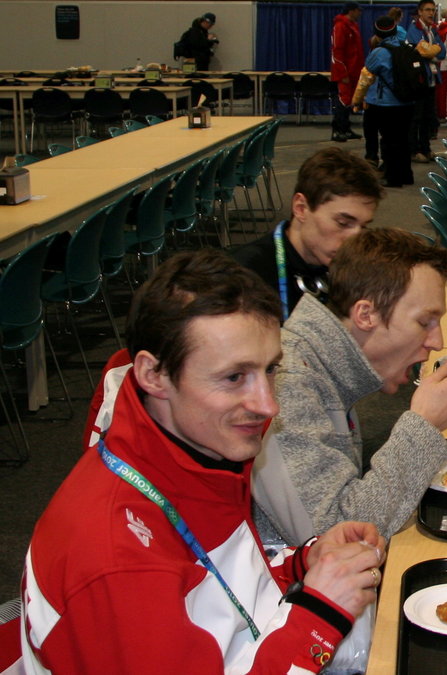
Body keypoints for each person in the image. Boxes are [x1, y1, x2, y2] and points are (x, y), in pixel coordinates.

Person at [24, 250, 386, 674]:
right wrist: (320, 613)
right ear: (154, 375)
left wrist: (303, 563)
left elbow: (217, 587)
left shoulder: (196, 452)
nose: (268, 404)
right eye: (234, 378)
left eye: (271, 370)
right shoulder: (115, 558)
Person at [252, 229, 447, 545]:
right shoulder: (289, 382)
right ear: (365, 315)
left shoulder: (323, 359)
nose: (437, 342)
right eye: (425, 322)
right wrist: (423, 425)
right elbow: (332, 536)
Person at [233, 148, 382, 318]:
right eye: (343, 223)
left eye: (363, 227)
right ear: (301, 208)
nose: (354, 240)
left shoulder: (358, 266)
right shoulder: (245, 276)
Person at [362, 15, 416, 188]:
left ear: (377, 33)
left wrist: (358, 100)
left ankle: (392, 177)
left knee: (389, 141)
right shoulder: (408, 48)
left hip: (386, 103)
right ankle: (406, 175)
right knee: (403, 140)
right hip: (407, 102)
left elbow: (367, 74)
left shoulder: (378, 52)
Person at [407, 0, 446, 164]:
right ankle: (414, 150)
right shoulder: (414, 30)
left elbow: (441, 52)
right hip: (419, 79)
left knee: (428, 116)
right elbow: (423, 51)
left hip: (431, 79)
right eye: (428, 10)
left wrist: (432, 51)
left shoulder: (432, 30)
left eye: (433, 10)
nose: (431, 13)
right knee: (416, 117)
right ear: (420, 12)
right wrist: (432, 50)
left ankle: (426, 148)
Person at [330, 2, 365, 143]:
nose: (360, 13)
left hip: (353, 71)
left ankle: (345, 129)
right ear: (351, 11)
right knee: (343, 101)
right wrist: (342, 73)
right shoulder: (341, 26)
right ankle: (337, 131)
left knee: (349, 101)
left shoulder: (352, 26)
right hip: (345, 72)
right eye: (358, 11)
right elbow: (337, 51)